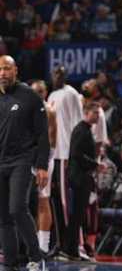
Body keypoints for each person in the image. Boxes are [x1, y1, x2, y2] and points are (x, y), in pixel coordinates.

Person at [0, 55, 47, 271]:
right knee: (3, 216)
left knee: (17, 208)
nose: (2, 73)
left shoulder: (29, 96)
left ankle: (35, 259)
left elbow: (42, 134)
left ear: (15, 70)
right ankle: (10, 266)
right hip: (1, 161)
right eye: (0, 69)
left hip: (22, 160)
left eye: (6, 68)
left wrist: (42, 165)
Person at [47, 66, 83, 256]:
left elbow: (78, 125)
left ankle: (74, 246)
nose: (57, 76)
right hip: (53, 155)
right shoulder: (52, 95)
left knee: (65, 203)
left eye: (60, 73)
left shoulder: (71, 93)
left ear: (65, 76)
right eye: (55, 73)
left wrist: (72, 153)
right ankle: (60, 244)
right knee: (54, 202)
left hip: (65, 153)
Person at [64, 101, 102, 260]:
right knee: (77, 215)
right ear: (86, 112)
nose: (98, 116)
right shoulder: (81, 130)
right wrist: (95, 165)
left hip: (81, 176)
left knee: (79, 215)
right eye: (95, 113)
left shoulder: (85, 130)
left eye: (99, 113)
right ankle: (70, 250)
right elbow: (77, 154)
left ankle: (72, 249)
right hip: (79, 178)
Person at [30, 80, 57, 255]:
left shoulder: (49, 110)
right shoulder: (27, 109)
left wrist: (45, 162)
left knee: (42, 199)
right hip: (27, 158)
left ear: (45, 92)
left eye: (40, 91)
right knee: (27, 203)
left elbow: (52, 138)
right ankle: (31, 244)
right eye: (34, 91)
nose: (37, 94)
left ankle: (43, 246)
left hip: (43, 160)